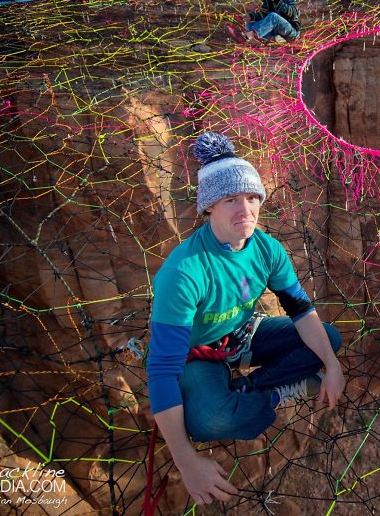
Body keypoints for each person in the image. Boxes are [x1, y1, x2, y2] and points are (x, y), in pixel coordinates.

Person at [147, 131, 344, 505]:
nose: (246, 210)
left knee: (328, 340)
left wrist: (332, 365)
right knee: (207, 422)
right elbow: (161, 371)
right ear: (209, 208)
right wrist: (186, 461)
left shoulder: (266, 248)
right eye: (231, 200)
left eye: (253, 198)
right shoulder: (184, 272)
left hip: (242, 336)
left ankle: (250, 391)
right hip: (198, 352)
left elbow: (301, 309)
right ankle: (261, 395)